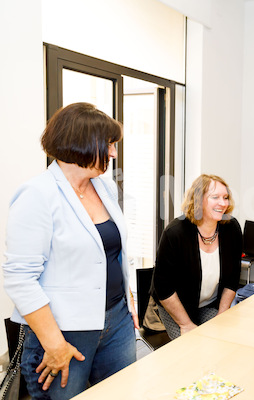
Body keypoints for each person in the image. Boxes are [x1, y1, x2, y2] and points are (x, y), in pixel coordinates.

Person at [2, 102, 137, 399]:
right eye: (109, 144)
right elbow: (19, 278)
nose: (114, 153)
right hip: (65, 333)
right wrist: (54, 344)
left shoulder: (105, 188)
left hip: (116, 322)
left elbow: (110, 253)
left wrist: (128, 302)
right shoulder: (38, 195)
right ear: (83, 143)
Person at [151, 174, 242, 339]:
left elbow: (233, 278)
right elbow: (163, 287)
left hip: (210, 305)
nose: (223, 203)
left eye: (225, 197)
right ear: (198, 200)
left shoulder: (231, 228)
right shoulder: (175, 233)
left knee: (224, 339)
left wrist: (222, 315)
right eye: (215, 197)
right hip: (178, 308)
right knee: (191, 346)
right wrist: (186, 324)